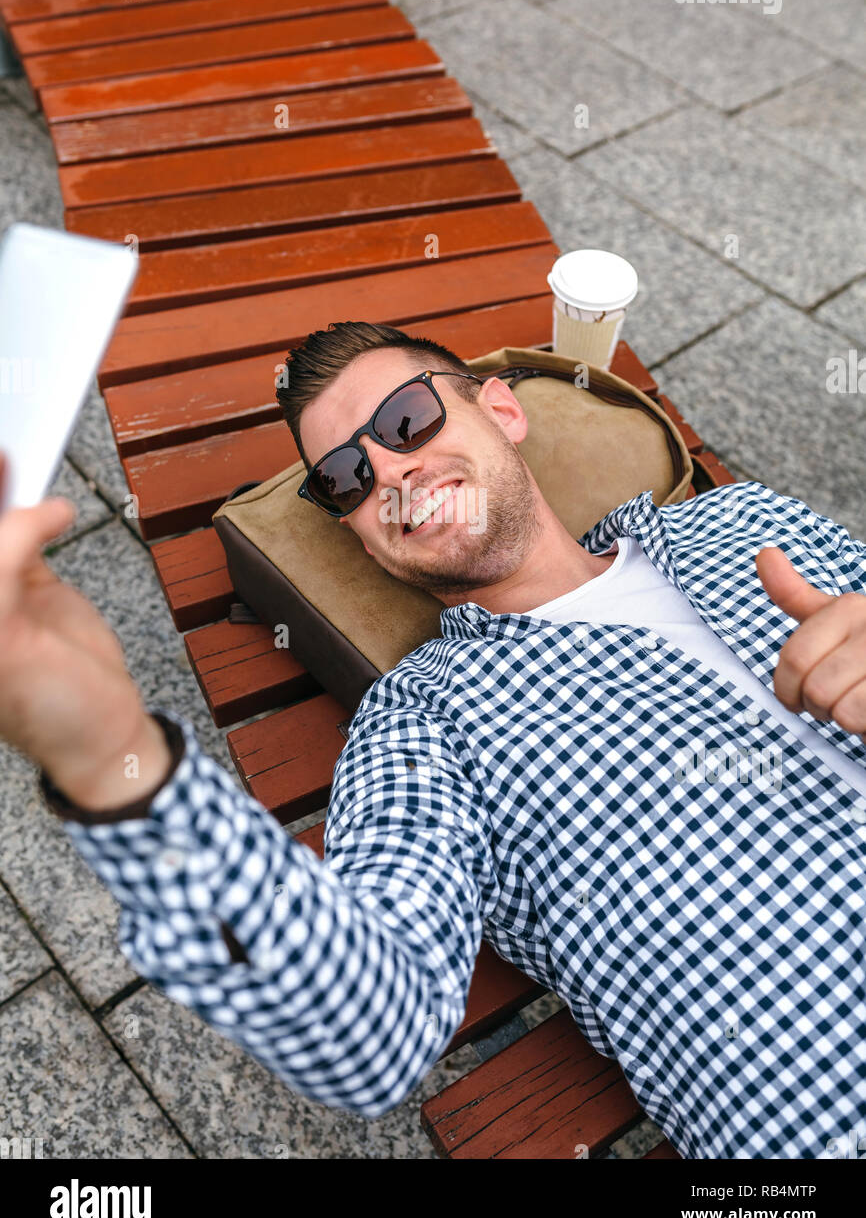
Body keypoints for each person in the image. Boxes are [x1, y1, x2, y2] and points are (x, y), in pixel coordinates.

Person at [1, 320, 864, 1160]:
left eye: (407, 419)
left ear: (504, 411)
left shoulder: (741, 524)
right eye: (346, 479)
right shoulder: (424, 722)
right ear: (355, 527)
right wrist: (112, 754)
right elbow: (371, 1028)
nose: (390, 473)